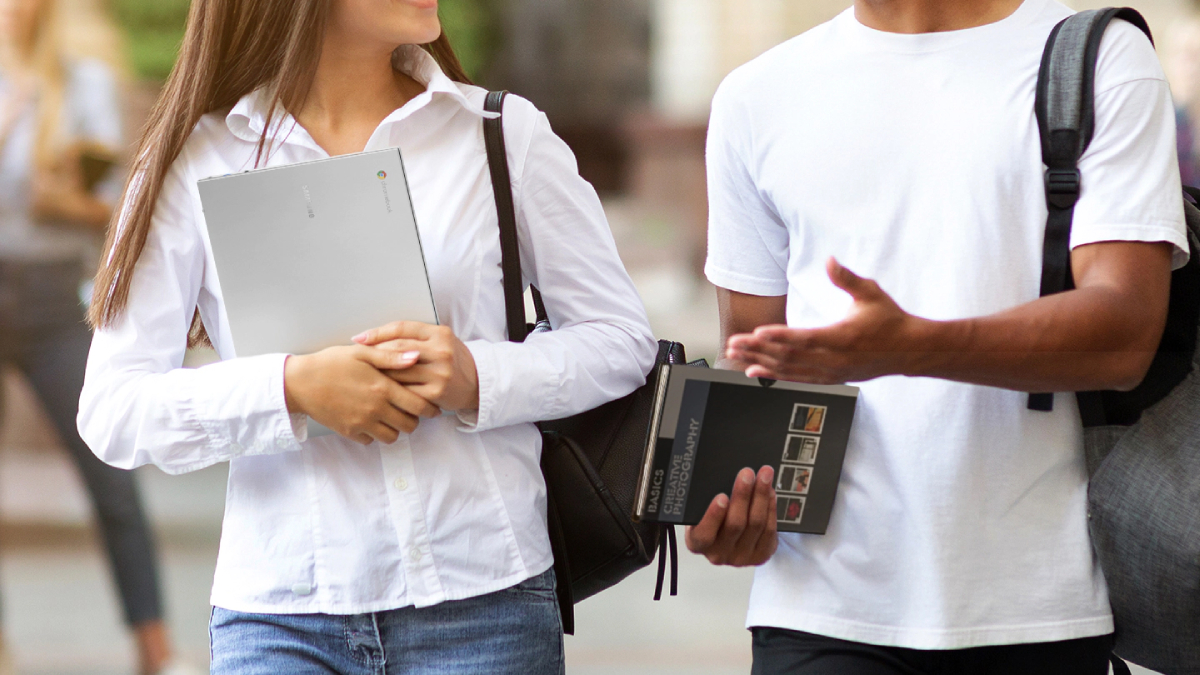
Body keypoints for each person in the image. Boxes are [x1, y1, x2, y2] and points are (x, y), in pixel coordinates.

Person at [75, 0, 657, 672]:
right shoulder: (197, 156)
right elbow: (113, 409)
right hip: (279, 615)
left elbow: (619, 338)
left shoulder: (500, 133)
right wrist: (291, 389)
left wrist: (477, 376)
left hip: (484, 605)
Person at [687, 0, 1186, 673]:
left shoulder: (1097, 58)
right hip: (819, 611)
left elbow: (1124, 333)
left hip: (1039, 605)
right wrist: (736, 505)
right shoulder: (758, 93)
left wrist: (913, 346)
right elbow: (756, 354)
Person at [0, 0, 191, 673]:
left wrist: (62, 197)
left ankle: (155, 648)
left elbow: (116, 205)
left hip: (54, 297)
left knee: (110, 473)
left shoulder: (82, 83)